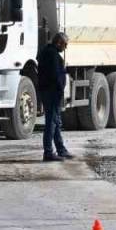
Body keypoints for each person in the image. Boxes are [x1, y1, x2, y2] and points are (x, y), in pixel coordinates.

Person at [36, 32, 75, 162]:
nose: (66, 47)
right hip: (52, 92)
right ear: (59, 42)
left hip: (49, 91)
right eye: (65, 44)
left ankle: (61, 150)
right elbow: (55, 75)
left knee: (56, 122)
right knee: (51, 123)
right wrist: (60, 88)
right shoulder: (52, 55)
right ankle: (48, 153)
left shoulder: (47, 52)